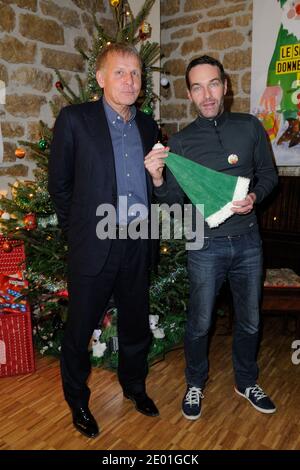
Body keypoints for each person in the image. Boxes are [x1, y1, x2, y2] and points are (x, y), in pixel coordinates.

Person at [145, 55, 278, 420]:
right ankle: (195, 383)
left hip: (249, 242)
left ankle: (246, 381)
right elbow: (171, 201)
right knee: (200, 322)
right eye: (198, 87)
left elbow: (269, 176)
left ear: (225, 86)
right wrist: (157, 178)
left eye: (213, 84)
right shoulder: (183, 143)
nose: (207, 94)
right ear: (189, 94)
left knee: (250, 319)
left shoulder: (250, 127)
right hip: (204, 245)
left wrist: (254, 197)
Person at [48, 43, 160, 439]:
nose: (130, 81)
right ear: (100, 78)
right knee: (80, 330)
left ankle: (134, 386)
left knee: (135, 327)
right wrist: (76, 233)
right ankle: (77, 400)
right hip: (94, 244)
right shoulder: (75, 120)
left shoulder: (148, 125)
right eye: (120, 72)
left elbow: (154, 183)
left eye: (135, 73)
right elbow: (59, 186)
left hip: (137, 242)